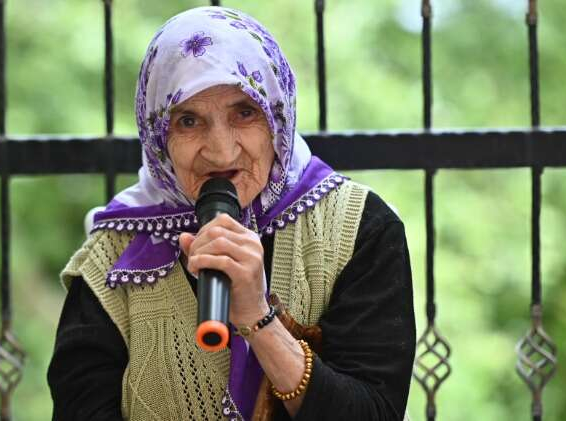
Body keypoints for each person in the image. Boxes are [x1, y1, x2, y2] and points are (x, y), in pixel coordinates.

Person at [48, 6, 415, 421]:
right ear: (157, 135)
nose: (221, 152)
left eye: (244, 112)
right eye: (188, 121)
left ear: (276, 116)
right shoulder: (111, 254)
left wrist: (258, 318)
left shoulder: (359, 228)